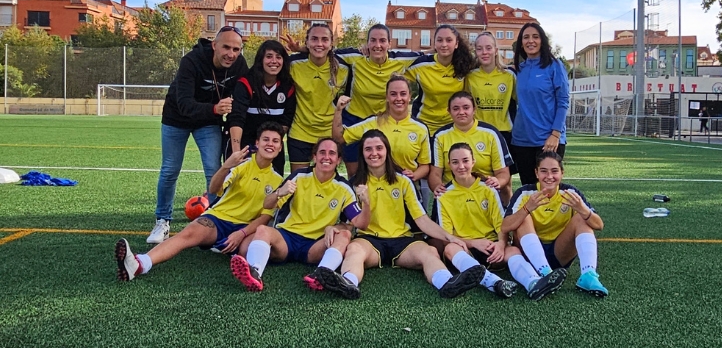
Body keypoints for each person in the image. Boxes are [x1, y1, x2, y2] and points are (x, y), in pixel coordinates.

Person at [313, 130, 486, 299]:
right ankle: (348, 284)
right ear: (362, 154)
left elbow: (422, 220)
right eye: (368, 149)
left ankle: (446, 283)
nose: (374, 153)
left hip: (402, 240)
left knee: (429, 252)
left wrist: (449, 237)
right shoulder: (355, 184)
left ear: (387, 151)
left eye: (379, 148)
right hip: (369, 240)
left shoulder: (403, 181)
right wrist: (333, 228)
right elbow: (350, 223)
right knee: (354, 250)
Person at [116, 122, 290, 281]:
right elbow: (213, 189)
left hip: (244, 228)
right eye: (266, 139)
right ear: (257, 143)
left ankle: (236, 258)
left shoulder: (277, 180)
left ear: (280, 148)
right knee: (187, 234)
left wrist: (241, 234)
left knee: (248, 250)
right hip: (218, 219)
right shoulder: (241, 165)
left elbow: (264, 217)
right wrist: (225, 166)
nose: (270, 144)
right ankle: (140, 263)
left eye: (275, 141)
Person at [149, 25, 249, 244]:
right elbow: (184, 104)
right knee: (169, 170)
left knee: (214, 169)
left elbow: (243, 97)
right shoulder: (191, 61)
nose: (231, 54)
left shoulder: (240, 65)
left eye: (236, 49)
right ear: (214, 45)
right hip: (177, 119)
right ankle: (162, 221)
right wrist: (215, 109)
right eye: (226, 47)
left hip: (208, 122)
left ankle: (215, 222)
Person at [229, 138, 370, 292]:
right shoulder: (299, 176)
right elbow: (267, 204)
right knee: (263, 230)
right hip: (287, 239)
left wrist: (366, 204)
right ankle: (254, 274)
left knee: (344, 235)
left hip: (314, 245)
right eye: (322, 152)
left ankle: (320, 276)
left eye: (332, 153)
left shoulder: (343, 187)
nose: (326, 157)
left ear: (338, 160)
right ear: (314, 157)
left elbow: (359, 224)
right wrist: (278, 193)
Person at [436, 142, 564, 299]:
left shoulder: (488, 189)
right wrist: (474, 243)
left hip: (492, 248)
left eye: (465, 160)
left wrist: (501, 245)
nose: (461, 166)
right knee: (450, 249)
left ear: (473, 162)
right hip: (466, 248)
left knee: (513, 251)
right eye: (455, 162)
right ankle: (495, 283)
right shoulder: (443, 195)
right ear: (449, 165)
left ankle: (534, 283)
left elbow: (500, 226)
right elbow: (447, 237)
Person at [501, 151, 608, 298]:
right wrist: (527, 208)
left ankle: (588, 275)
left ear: (562, 173)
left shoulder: (570, 193)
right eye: (544, 171)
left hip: (559, 253)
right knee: (522, 218)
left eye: (554, 171)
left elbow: (599, 225)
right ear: (536, 173)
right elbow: (505, 226)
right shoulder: (525, 193)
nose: (549, 176)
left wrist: (582, 210)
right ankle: (544, 273)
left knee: (582, 218)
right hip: (530, 256)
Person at [332, 24, 420, 176]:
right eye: (372, 40)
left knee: (383, 170)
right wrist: (300, 48)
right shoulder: (355, 57)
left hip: (383, 122)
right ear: (367, 43)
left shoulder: (401, 59)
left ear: (389, 43)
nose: (377, 45)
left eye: (382, 40)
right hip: (354, 119)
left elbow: (432, 54)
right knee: (355, 174)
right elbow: (323, 50)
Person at [332, 75, 431, 183]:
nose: (398, 98)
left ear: (409, 96)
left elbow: (425, 165)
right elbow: (338, 138)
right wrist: (338, 110)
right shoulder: (373, 122)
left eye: (403, 94)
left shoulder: (420, 128)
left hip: (405, 187)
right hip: (373, 188)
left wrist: (414, 175)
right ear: (387, 97)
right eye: (393, 94)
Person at [284, 24, 350, 173]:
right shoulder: (293, 64)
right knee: (298, 184)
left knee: (326, 184)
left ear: (331, 43)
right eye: (314, 39)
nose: (319, 44)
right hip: (300, 133)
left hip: (329, 134)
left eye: (324, 39)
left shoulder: (344, 67)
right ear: (306, 42)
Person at [511, 22, 570, 186]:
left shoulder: (555, 66)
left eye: (535, 37)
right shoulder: (519, 69)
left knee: (548, 189)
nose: (531, 41)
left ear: (542, 41)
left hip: (548, 140)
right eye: (526, 37)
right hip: (522, 140)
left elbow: (563, 101)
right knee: (529, 190)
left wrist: (555, 134)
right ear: (521, 43)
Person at [429, 91, 513, 205]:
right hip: (453, 194)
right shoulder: (440, 136)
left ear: (474, 109)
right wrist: (438, 187)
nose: (461, 112)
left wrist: (497, 181)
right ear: (449, 111)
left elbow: (503, 173)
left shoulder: (491, 134)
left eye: (466, 107)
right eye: (456, 108)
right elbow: (435, 174)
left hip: (485, 193)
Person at [227, 40, 296, 176]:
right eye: (269, 56)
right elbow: (236, 118)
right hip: (245, 143)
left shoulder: (288, 86)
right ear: (261, 59)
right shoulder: (246, 83)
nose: (274, 61)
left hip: (271, 146)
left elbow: (286, 121)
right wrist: (236, 152)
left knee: (271, 188)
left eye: (278, 57)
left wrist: (270, 145)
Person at [404, 24, 476, 137]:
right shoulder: (421, 65)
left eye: (449, 40)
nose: (444, 44)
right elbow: (394, 72)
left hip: (453, 126)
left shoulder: (465, 65)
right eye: (440, 40)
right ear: (434, 43)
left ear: (456, 44)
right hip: (423, 125)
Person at [467, 32, 517, 146]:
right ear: (476, 52)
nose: (484, 52)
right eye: (479, 49)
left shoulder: (509, 75)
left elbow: (523, 103)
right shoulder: (470, 77)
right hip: (478, 131)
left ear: (495, 50)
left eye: (488, 48)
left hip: (505, 133)